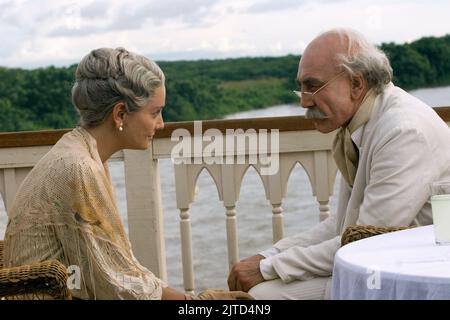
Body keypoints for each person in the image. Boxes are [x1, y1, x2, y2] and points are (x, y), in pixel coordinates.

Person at [3, 47, 252, 300]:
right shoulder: (78, 167)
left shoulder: (78, 151)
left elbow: (110, 271)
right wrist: (198, 303)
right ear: (120, 113)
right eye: (155, 112)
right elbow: (117, 283)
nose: (161, 124)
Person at [227, 28, 450, 299]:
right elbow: (345, 225)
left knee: (262, 296)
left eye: (312, 86)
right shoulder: (364, 121)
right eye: (301, 88)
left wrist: (268, 267)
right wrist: (270, 255)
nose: (304, 101)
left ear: (356, 84)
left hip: (413, 278)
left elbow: (366, 239)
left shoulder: (403, 131)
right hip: (387, 264)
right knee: (260, 293)